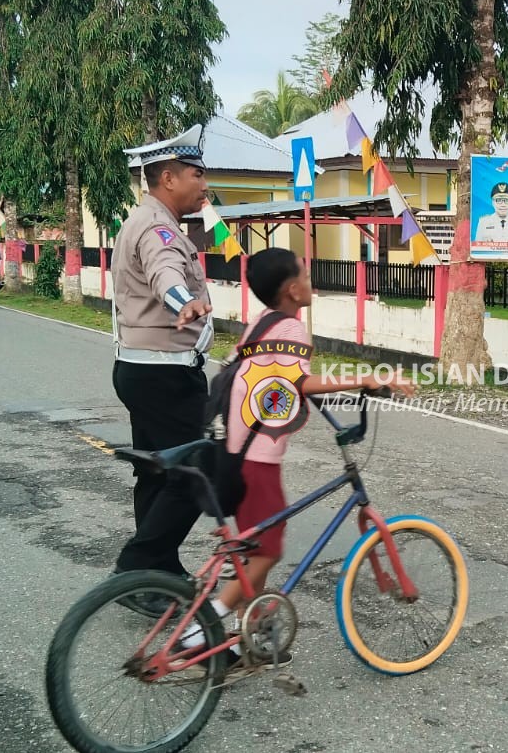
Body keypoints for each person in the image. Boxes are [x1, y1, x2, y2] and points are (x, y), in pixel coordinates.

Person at [176, 248, 416, 658]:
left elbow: (270, 379)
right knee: (269, 549)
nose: (312, 282)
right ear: (291, 289)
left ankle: (250, 638)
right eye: (305, 275)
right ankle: (201, 633)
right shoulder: (290, 329)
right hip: (257, 458)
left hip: (233, 450)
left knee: (256, 549)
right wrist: (370, 379)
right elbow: (298, 383)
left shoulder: (261, 324)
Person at [108, 125, 219, 585]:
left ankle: (158, 574)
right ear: (168, 178)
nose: (204, 185)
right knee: (199, 469)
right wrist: (184, 302)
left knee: (156, 474)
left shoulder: (148, 219)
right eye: (197, 174)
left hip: (141, 369)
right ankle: (137, 569)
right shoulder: (157, 227)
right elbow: (165, 272)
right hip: (165, 376)